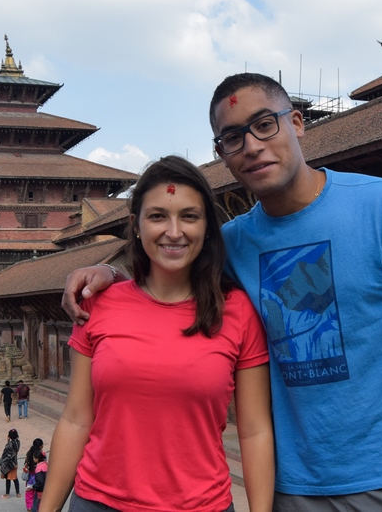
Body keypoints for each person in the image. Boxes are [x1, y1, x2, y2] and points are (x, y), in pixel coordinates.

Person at [62, 73, 382, 511]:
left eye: (265, 124)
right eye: (232, 137)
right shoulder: (233, 244)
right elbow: (166, 263)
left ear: (298, 122)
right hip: (294, 488)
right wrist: (107, 270)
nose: (251, 145)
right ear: (221, 153)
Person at [45, 155, 273, 512]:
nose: (174, 231)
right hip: (100, 502)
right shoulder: (98, 305)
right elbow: (76, 418)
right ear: (136, 224)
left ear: (208, 227)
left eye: (189, 216)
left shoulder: (238, 312)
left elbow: (254, 430)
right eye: (157, 216)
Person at [0, 428, 21, 499]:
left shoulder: (9, 444)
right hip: (15, 462)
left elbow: (5, 453)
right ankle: (18, 493)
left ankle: (7, 494)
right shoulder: (18, 442)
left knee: (8, 479)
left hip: (9, 463)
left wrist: (8, 441)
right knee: (15, 478)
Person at [24, 438, 44, 512]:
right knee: (37, 495)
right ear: (41, 446)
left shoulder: (29, 453)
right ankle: (37, 508)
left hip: (30, 478)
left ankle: (29, 507)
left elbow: (25, 464)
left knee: (29, 493)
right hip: (38, 478)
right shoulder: (41, 455)